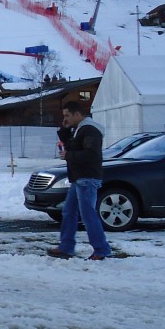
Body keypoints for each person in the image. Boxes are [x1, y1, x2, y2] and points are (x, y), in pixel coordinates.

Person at [48, 100, 114, 261]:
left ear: (77, 114)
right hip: (79, 178)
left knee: (88, 215)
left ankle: (101, 249)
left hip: (87, 178)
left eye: (67, 115)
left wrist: (68, 156)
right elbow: (72, 145)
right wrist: (64, 129)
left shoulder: (89, 130)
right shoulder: (80, 129)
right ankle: (66, 247)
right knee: (69, 212)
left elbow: (91, 155)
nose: (65, 119)